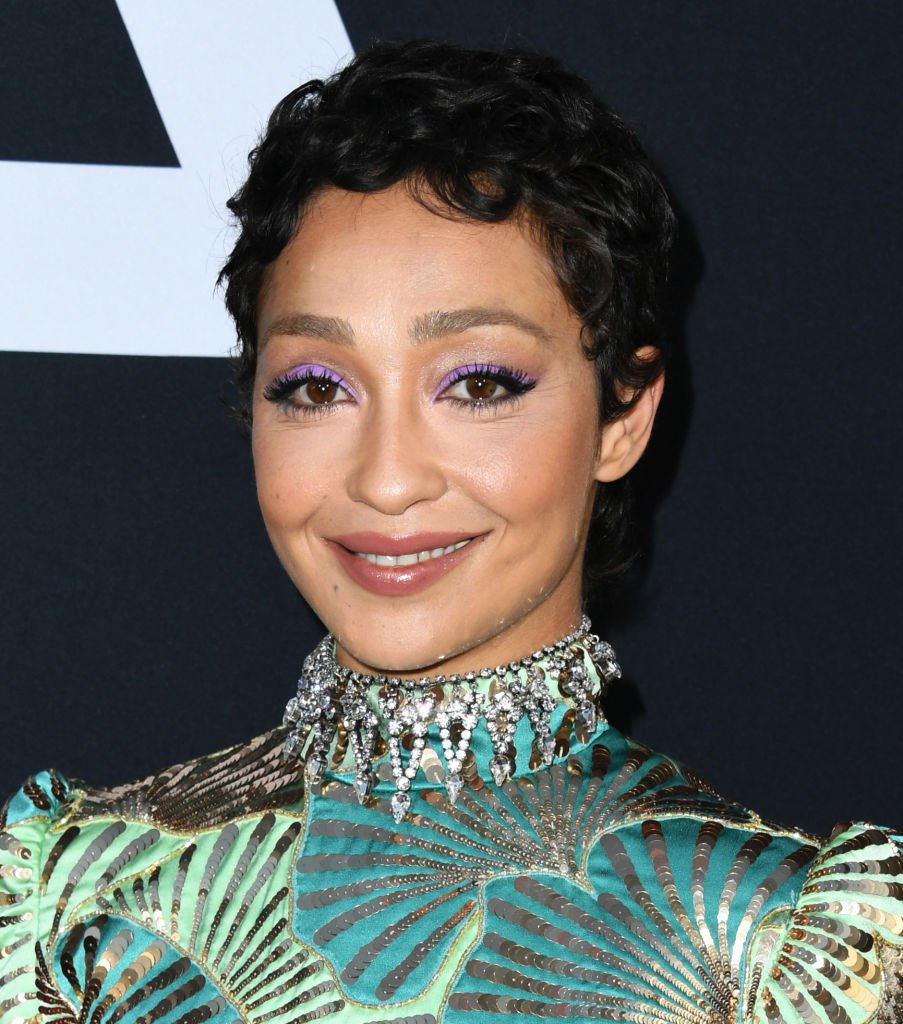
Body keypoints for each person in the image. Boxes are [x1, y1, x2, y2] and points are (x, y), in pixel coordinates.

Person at [1, 39, 900, 1024]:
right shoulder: (74, 894)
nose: (388, 479)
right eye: (316, 387)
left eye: (477, 385)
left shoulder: (786, 948)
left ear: (623, 415)